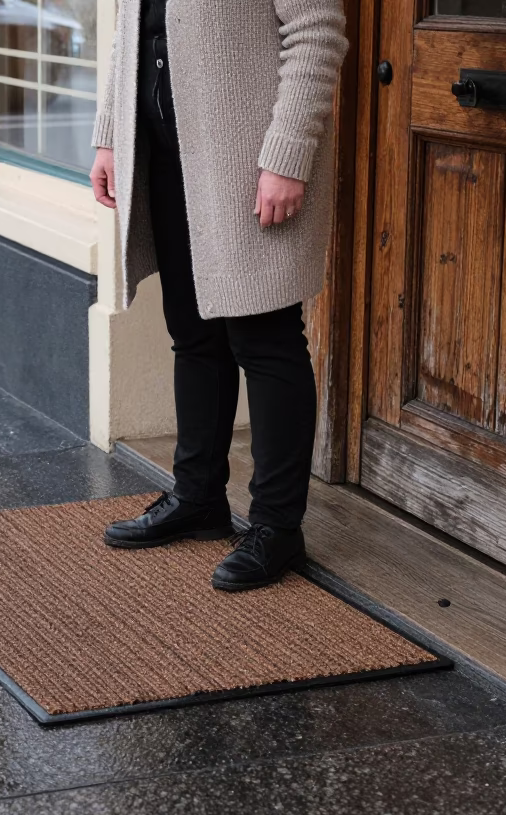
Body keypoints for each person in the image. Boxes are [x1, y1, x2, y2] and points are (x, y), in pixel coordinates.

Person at [91, 0, 349, 592]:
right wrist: (110, 137)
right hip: (164, 157)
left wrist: (287, 155)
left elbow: (316, 33)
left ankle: (277, 527)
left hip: (242, 162)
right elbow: (128, 32)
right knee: (193, 333)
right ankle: (198, 496)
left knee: (265, 340)